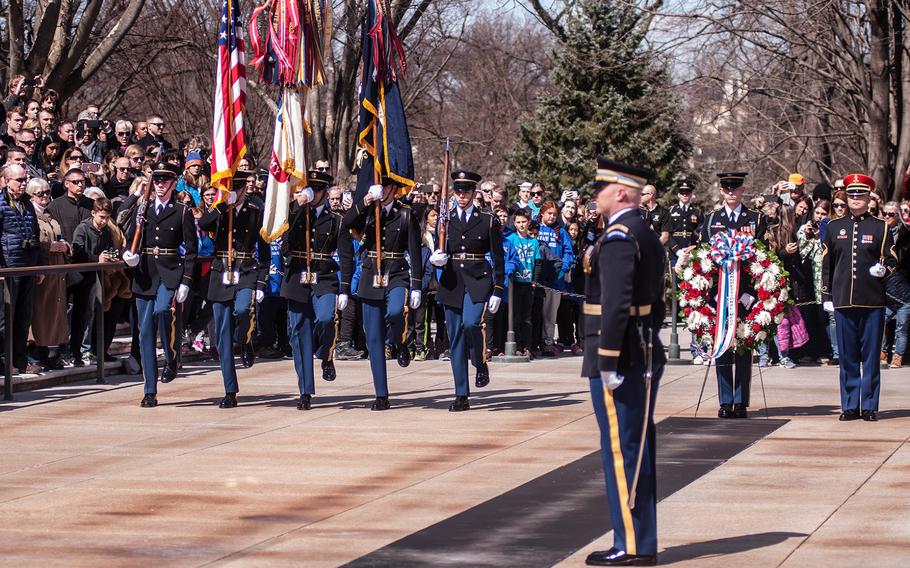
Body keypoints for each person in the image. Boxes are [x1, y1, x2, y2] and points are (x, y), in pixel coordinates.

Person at [582, 158, 665, 567]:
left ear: (621, 192)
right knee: (638, 446)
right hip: (644, 347)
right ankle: (640, 541)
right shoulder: (645, 233)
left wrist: (609, 360)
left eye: (600, 189)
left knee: (621, 451)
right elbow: (657, 302)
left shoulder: (618, 236)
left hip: (622, 355)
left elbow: (614, 305)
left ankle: (629, 545)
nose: (594, 196)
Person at [341, 177, 423, 411]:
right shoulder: (367, 210)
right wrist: (366, 200)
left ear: (394, 189)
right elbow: (347, 222)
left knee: (397, 312)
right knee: (373, 337)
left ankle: (400, 342)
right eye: (380, 186)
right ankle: (381, 394)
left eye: (386, 186)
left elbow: (415, 251)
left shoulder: (406, 214)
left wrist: (416, 285)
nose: (382, 190)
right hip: (370, 275)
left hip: (396, 273)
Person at [821, 174, 898, 422]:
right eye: (851, 195)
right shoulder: (834, 227)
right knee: (847, 357)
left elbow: (893, 258)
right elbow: (827, 264)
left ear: (868, 198)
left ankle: (870, 405)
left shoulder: (881, 226)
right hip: (843, 300)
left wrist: (884, 270)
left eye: (860, 195)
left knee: (871, 357)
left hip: (872, 301)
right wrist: (827, 295)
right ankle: (850, 405)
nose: (855, 199)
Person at [121, 163, 197, 406]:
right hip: (145, 273)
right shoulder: (141, 209)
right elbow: (130, 235)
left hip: (169, 272)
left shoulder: (181, 211)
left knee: (162, 310)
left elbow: (191, 251)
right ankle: (150, 390)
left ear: (174, 184)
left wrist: (186, 281)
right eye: (158, 180)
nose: (161, 184)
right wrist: (128, 255)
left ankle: (171, 356)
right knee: (144, 332)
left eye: (166, 180)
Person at [429, 170, 504, 411]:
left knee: (472, 324)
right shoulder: (446, 220)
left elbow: (498, 257)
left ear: (474, 193)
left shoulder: (487, 219)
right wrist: (437, 258)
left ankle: (480, 361)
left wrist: (498, 289)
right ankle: (461, 393)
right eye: (458, 192)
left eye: (467, 192)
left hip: (478, 279)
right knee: (456, 338)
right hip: (452, 281)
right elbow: (441, 249)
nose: (462, 196)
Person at [281, 170, 354, 410]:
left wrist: (344, 288)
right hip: (297, 277)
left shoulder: (336, 220)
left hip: (324, 276)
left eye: (317, 190)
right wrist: (297, 205)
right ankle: (305, 390)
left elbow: (345, 256)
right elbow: (282, 234)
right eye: (309, 189)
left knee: (325, 319)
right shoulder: (296, 213)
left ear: (324, 192)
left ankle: (326, 354)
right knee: (299, 333)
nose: (313, 194)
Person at [198, 170, 269, 408]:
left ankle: (246, 339)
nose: (235, 194)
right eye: (231, 189)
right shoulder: (218, 210)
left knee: (242, 310)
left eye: (238, 189)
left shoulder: (255, 210)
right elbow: (202, 223)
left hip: (246, 269)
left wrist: (261, 281)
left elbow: (264, 249)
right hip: (221, 271)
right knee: (222, 335)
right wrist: (221, 207)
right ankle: (230, 389)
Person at [699, 172, 768, 418]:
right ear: (721, 191)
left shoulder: (756, 219)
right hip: (719, 294)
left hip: (746, 296)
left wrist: (750, 293)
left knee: (743, 345)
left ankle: (741, 401)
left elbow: (763, 259)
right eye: (726, 188)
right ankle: (725, 400)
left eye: (735, 188)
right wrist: (712, 293)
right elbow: (703, 259)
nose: (730, 192)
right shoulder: (711, 220)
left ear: (742, 190)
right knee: (722, 345)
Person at [0, 164, 43, 373]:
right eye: (19, 180)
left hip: (27, 265)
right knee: (5, 317)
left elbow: (35, 234)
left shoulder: (26, 202)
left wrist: (39, 266)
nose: (23, 183)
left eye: (25, 179)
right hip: (9, 267)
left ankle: (19, 359)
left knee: (23, 317)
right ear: (6, 181)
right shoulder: (0, 203)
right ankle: (3, 360)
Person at [29, 178, 69, 370]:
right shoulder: (31, 215)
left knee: (54, 311)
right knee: (40, 312)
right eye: (39, 193)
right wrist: (49, 247)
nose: (44, 196)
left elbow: (60, 236)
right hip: (42, 270)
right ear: (31, 195)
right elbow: (32, 242)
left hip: (57, 270)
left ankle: (50, 351)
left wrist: (64, 246)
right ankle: (36, 351)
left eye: (47, 192)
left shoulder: (50, 215)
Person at [881, 201, 910, 368]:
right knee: (881, 322)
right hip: (884, 288)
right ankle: (882, 353)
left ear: (898, 216)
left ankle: (898, 356)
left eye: (891, 214)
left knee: (902, 326)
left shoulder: (906, 234)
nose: (886, 216)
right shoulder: (878, 231)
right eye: (884, 213)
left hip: (904, 288)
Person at [667, 179, 703, 262]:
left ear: (691, 194)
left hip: (692, 253)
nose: (685, 195)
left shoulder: (697, 212)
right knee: (675, 275)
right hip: (675, 253)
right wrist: (677, 251)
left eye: (687, 193)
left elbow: (701, 234)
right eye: (682, 193)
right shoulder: (671, 211)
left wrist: (694, 248)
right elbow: (667, 233)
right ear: (678, 195)